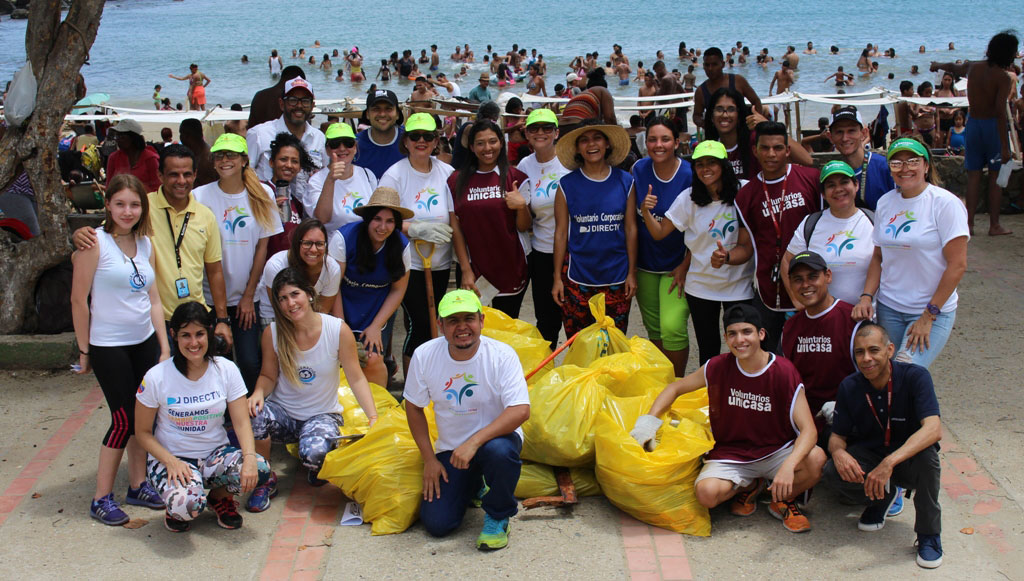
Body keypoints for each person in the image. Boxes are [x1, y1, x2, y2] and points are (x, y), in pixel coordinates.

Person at [631, 303, 825, 533]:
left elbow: (809, 430)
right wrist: (649, 421)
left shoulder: (783, 371)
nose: (739, 340)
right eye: (732, 334)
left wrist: (788, 466)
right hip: (732, 453)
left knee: (816, 458)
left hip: (777, 450)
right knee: (706, 494)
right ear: (725, 337)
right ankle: (753, 485)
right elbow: (675, 388)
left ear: (761, 334)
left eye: (747, 332)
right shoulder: (718, 366)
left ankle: (782, 499)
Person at [71, 174, 170, 525]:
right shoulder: (93, 243)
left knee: (144, 416)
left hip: (143, 341)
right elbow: (79, 301)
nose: (127, 211)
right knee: (123, 419)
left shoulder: (145, 243)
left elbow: (154, 300)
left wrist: (163, 347)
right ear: (108, 206)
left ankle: (138, 484)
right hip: (108, 345)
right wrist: (84, 351)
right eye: (120, 204)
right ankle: (101, 498)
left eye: (134, 204)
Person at [73, 145, 234, 350]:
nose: (181, 181)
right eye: (173, 175)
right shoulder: (141, 208)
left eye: (187, 174)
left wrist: (222, 319)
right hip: (154, 320)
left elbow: (215, 271)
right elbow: (108, 237)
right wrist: (80, 236)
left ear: (195, 175)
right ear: (160, 175)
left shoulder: (206, 216)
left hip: (195, 318)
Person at [404, 289, 531, 550]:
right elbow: (413, 407)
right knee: (438, 524)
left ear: (482, 320)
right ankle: (474, 484)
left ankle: (498, 515)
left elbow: (520, 410)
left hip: (495, 442)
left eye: (469, 319)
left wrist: (474, 443)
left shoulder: (502, 355)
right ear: (440, 325)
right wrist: (429, 459)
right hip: (452, 451)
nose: (462, 327)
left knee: (499, 452)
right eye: (453, 320)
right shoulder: (425, 355)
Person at [244, 267, 378, 509]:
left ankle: (313, 462)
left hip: (321, 414)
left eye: (295, 294)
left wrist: (373, 416)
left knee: (315, 456)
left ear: (309, 294)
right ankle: (264, 478)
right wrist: (257, 394)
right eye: (282, 298)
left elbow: (356, 377)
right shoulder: (272, 333)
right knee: (254, 413)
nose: (290, 303)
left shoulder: (336, 329)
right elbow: (267, 375)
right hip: (285, 413)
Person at [135, 302, 271, 532]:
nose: (194, 342)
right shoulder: (156, 377)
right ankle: (178, 505)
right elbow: (142, 432)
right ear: (173, 336)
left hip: (214, 454)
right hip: (173, 457)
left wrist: (248, 456)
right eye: (185, 335)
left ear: (209, 333)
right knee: (187, 508)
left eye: (200, 334)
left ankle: (219, 498)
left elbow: (240, 421)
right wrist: (170, 461)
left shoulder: (226, 369)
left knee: (260, 468)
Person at [824, 322, 944, 569]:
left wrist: (889, 463)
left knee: (928, 460)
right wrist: (838, 452)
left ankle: (928, 535)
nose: (866, 359)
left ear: (890, 350)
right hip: (870, 454)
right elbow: (838, 436)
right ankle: (880, 498)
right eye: (859, 352)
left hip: (906, 459)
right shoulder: (850, 386)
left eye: (873, 350)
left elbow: (933, 428)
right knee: (831, 471)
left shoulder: (915, 377)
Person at [853, 138, 968, 369]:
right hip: (890, 307)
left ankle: (924, 407)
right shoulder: (886, 202)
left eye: (912, 161)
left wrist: (928, 316)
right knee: (884, 373)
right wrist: (866, 296)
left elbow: (957, 265)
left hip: (931, 310)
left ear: (926, 166)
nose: (905, 168)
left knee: (906, 370)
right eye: (896, 163)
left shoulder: (945, 204)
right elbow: (878, 256)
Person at [644, 140, 753, 364]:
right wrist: (645, 211)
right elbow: (659, 233)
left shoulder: (744, 191)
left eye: (712, 163)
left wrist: (727, 258)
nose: (705, 169)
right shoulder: (689, 198)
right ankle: (711, 395)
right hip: (701, 287)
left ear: (724, 165)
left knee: (743, 347)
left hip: (739, 287)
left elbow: (747, 246)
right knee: (709, 350)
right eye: (700, 164)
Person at [193, 133, 283, 391]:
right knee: (216, 361)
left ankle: (251, 415)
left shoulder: (262, 193)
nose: (224, 161)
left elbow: (261, 248)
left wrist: (248, 296)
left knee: (249, 361)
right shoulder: (199, 196)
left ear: (244, 160)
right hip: (210, 297)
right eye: (219, 155)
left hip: (247, 297)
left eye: (230, 155)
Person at [730, 122, 822, 352]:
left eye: (778, 147)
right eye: (765, 148)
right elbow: (747, 244)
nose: (771, 154)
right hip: (768, 288)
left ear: (788, 150)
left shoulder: (811, 180)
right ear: (755, 151)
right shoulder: (745, 196)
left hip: (809, 283)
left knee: (810, 352)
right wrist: (727, 257)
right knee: (770, 355)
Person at [379, 114, 456, 372]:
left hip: (441, 263)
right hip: (408, 264)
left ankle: (432, 378)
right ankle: (412, 389)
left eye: (428, 136)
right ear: (406, 141)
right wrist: (415, 228)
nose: (421, 141)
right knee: (419, 323)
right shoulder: (394, 175)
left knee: (437, 321)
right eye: (415, 136)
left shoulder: (447, 173)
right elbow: (380, 219)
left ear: (436, 140)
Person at [552, 120, 637, 336]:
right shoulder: (566, 185)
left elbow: (630, 229)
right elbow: (561, 233)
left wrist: (631, 273)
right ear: (578, 148)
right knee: (580, 343)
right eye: (584, 140)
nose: (591, 144)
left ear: (607, 143)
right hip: (577, 277)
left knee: (613, 344)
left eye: (597, 138)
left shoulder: (625, 181)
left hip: (616, 275)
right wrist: (556, 279)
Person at [931, 31, 1018, 236]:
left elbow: (954, 67)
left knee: (973, 176)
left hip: (973, 124)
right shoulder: (1003, 78)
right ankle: (994, 225)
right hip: (991, 127)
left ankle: (968, 224)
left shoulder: (973, 67)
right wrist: (1006, 147)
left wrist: (937, 65)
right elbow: (999, 111)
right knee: (996, 177)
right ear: (1007, 53)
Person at [327, 187, 411, 387]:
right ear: (367, 219)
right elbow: (333, 286)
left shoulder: (401, 246)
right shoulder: (344, 238)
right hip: (343, 304)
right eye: (377, 219)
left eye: (390, 221)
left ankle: (378, 409)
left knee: (372, 358)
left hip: (377, 310)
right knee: (341, 358)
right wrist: (341, 326)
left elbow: (398, 289)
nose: (383, 227)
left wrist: (375, 326)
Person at [448, 120, 531, 317]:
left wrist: (521, 207)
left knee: (508, 328)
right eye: (480, 143)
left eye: (492, 141)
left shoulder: (516, 177)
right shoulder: (455, 181)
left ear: (502, 142)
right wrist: (466, 269)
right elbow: (456, 228)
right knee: (475, 325)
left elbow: (524, 226)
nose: (487, 148)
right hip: (473, 268)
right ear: (471, 146)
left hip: (511, 264)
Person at [633, 118, 693, 376]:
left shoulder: (690, 174)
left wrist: (685, 265)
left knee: (673, 326)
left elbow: (700, 226)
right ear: (645, 143)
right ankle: (662, 380)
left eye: (665, 139)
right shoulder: (638, 169)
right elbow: (630, 221)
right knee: (654, 328)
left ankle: (677, 382)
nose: (658, 145)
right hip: (644, 263)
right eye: (653, 140)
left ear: (676, 142)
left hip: (677, 264)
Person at [779, 251, 860, 442]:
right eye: (798, 279)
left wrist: (847, 406)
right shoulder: (790, 327)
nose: (806, 285)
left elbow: (873, 377)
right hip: (802, 420)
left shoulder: (852, 320)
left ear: (828, 276)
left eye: (813, 277)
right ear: (790, 284)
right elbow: (782, 380)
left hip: (845, 418)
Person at [782, 161, 875, 307]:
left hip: (866, 316)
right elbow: (787, 261)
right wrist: (797, 301)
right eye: (831, 185)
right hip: (823, 317)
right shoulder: (811, 223)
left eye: (844, 182)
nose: (839, 189)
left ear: (856, 185)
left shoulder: (874, 221)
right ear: (823, 194)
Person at [516, 109, 569, 349]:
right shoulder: (524, 166)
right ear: (526, 134)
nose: (541, 133)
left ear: (557, 132)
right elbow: (522, 214)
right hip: (542, 252)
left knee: (578, 320)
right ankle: (548, 376)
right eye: (534, 128)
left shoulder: (569, 161)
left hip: (575, 252)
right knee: (547, 322)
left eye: (547, 128)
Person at [247, 77, 327, 204]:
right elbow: (246, 175)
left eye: (305, 101)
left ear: (312, 106)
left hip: (308, 216)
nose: (299, 106)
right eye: (293, 100)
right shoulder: (259, 134)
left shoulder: (319, 138)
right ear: (281, 104)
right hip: (268, 212)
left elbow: (325, 176)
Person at [260, 218, 341, 323]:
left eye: (319, 244)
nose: (313, 249)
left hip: (311, 316)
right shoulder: (276, 265)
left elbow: (323, 311)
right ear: (297, 244)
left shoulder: (332, 269)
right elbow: (281, 309)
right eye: (307, 243)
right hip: (276, 316)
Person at [308, 122, 377, 232]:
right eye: (335, 144)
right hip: (332, 246)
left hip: (362, 244)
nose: (342, 148)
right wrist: (330, 180)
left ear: (355, 147)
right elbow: (322, 219)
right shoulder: (316, 181)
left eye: (348, 143)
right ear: (327, 149)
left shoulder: (367, 175)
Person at [826, 106, 894, 210]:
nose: (845, 138)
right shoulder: (831, 173)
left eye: (851, 131)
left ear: (863, 133)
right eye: (839, 132)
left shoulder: (884, 167)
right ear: (830, 137)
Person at [264, 132, 317, 255]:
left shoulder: (297, 203)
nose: (289, 165)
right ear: (271, 162)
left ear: (299, 167)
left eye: (294, 161)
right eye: (283, 159)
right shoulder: (260, 192)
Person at [693, 47, 763, 129]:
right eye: (707, 65)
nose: (710, 69)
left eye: (714, 64)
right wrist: (708, 125)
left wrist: (756, 123)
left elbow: (756, 101)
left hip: (742, 134)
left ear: (722, 64)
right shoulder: (701, 91)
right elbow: (697, 115)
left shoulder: (738, 81)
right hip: (716, 137)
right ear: (704, 66)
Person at [354, 89, 405, 180]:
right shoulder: (353, 145)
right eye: (376, 109)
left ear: (397, 114)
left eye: (388, 109)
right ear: (367, 114)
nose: (382, 114)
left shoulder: (412, 139)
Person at [104, 119, 161, 193]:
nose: (118, 140)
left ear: (133, 138)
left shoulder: (150, 158)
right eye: (117, 136)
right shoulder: (113, 158)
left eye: (122, 136)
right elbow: (109, 186)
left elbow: (158, 188)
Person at [179, 118, 218, 187]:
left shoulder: (208, 158)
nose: (181, 137)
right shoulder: (195, 153)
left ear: (189, 135)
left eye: (182, 134)